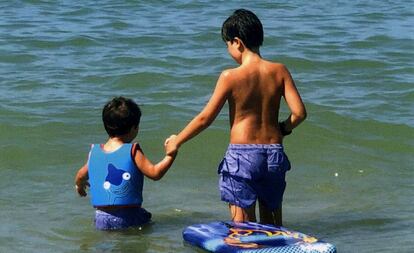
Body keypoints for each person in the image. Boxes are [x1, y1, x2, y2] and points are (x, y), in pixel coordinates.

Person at [166, 9, 306, 226]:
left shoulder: (230, 76)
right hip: (274, 154)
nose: (228, 50)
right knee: (272, 226)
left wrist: (177, 140)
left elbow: (205, 118)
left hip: (243, 156)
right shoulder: (280, 71)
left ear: (237, 42)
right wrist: (283, 129)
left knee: (243, 228)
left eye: (227, 44)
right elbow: (299, 113)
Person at [75, 96, 177, 230]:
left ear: (106, 125)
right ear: (134, 128)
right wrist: (171, 155)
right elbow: (155, 173)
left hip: (101, 218)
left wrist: (80, 186)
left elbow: (81, 175)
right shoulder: (132, 151)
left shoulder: (94, 153)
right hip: (129, 217)